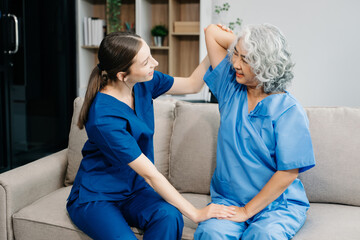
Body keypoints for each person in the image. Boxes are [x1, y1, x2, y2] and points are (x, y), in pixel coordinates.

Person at [66, 32, 236, 240]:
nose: (154, 63)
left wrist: (214, 45)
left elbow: (192, 84)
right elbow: (150, 175)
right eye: (146, 62)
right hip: (97, 197)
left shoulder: (143, 82)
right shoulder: (103, 117)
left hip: (134, 191)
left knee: (169, 216)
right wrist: (197, 213)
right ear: (122, 75)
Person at [194, 24, 316, 240]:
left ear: (265, 65)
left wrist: (247, 212)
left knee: (264, 235)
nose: (235, 64)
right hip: (229, 201)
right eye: (236, 55)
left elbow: (288, 172)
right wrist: (245, 42)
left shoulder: (289, 110)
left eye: (246, 60)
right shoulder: (230, 88)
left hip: (276, 205)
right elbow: (211, 33)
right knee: (211, 233)